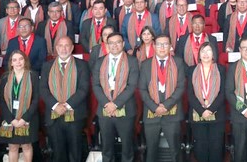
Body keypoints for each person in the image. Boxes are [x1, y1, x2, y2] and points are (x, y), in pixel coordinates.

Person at [40, 36, 90, 162]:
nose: (63, 49)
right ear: (56, 48)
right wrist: (56, 105)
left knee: (75, 153)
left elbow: (83, 89)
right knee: (58, 153)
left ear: (72, 48)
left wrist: (66, 105)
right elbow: (43, 89)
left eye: (67, 45)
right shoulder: (47, 66)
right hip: (54, 115)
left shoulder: (82, 65)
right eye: (61, 46)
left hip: (75, 115)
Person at [92, 32, 139, 162]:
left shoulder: (132, 61)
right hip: (105, 109)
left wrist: (115, 104)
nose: (114, 45)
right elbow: (95, 85)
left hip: (126, 109)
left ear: (123, 44)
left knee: (127, 146)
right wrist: (107, 104)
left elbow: (132, 85)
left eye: (118, 42)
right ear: (107, 45)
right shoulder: (100, 62)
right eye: (111, 43)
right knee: (106, 147)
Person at [139, 34, 186, 162]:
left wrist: (166, 105)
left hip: (172, 114)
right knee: (151, 152)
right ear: (154, 46)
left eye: (165, 44)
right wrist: (155, 107)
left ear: (170, 46)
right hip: (151, 114)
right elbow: (142, 89)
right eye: (159, 44)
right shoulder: (145, 64)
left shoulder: (178, 62)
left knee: (175, 151)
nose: (162, 47)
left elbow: (181, 87)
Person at [0, 50, 39, 162]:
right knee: (12, 147)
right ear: (11, 63)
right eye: (14, 60)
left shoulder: (33, 76)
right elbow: (2, 100)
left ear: (25, 61)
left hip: (28, 118)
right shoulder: (5, 77)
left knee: (27, 146)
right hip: (11, 119)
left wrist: (24, 119)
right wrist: (12, 120)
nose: (18, 62)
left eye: (21, 59)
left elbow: (35, 100)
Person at [187, 42, 226, 162]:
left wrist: (211, 109)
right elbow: (190, 94)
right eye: (203, 51)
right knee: (200, 147)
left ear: (213, 54)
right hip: (198, 114)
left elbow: (223, 93)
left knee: (216, 147)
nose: (205, 54)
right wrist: (201, 111)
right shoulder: (191, 70)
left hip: (217, 113)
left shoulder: (221, 69)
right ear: (199, 55)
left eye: (208, 51)